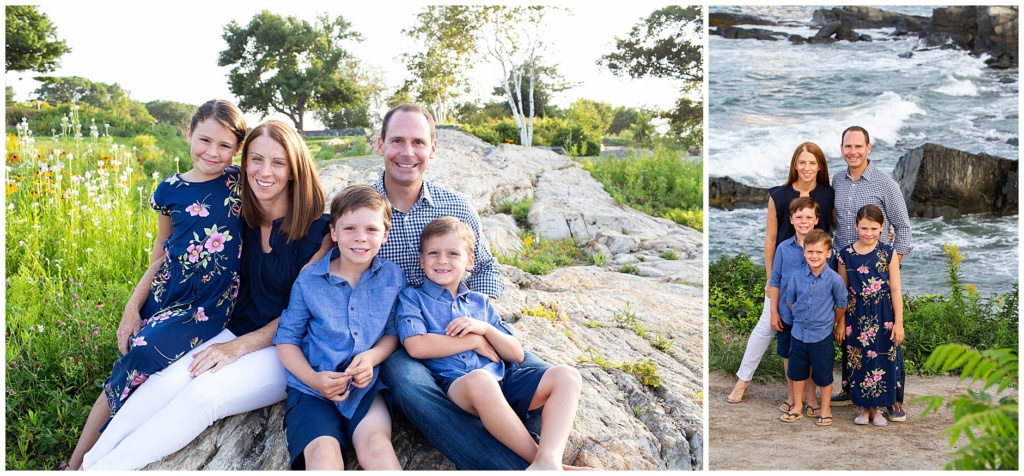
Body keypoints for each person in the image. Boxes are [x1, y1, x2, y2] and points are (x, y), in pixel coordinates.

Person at [80, 119, 333, 470]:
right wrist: (132, 305)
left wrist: (235, 348)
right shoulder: (236, 213)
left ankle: (106, 469)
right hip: (231, 328)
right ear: (243, 165)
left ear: (294, 170)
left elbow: (300, 313)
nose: (264, 172)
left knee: (201, 396)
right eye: (255, 160)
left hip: (287, 349)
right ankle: (88, 462)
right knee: (165, 383)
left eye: (278, 163)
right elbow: (171, 252)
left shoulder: (320, 232)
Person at [68, 99, 248, 469]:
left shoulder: (241, 182)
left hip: (208, 303)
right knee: (129, 358)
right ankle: (75, 461)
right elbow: (161, 250)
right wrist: (133, 305)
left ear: (237, 149)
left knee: (143, 353)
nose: (212, 153)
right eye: (204, 140)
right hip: (167, 291)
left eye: (225, 146)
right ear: (188, 134)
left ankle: (95, 457)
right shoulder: (169, 189)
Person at [373, 104, 553, 470]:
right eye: (397, 141)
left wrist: (472, 322)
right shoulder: (364, 209)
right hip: (400, 337)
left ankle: (524, 431)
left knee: (536, 370)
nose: (407, 152)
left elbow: (485, 266)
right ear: (380, 145)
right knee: (412, 386)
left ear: (433, 148)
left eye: (418, 142)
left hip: (463, 320)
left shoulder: (455, 205)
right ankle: (518, 467)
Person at [398, 217, 584, 470]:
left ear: (470, 261)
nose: (442, 260)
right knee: (480, 380)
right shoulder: (413, 297)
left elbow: (516, 354)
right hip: (461, 387)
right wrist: (474, 341)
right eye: (434, 253)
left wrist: (485, 329)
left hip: (503, 380)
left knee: (567, 375)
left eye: (453, 253)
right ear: (422, 260)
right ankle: (542, 464)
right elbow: (416, 346)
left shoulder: (479, 303)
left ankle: (549, 459)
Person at [274, 185, 405, 469]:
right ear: (333, 232)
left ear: (385, 234)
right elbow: (286, 339)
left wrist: (371, 358)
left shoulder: (393, 278)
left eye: (371, 229)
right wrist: (313, 379)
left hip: (364, 388)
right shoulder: (310, 280)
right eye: (349, 229)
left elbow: (393, 333)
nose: (360, 238)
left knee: (376, 447)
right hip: (312, 390)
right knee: (323, 455)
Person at [728, 142, 835, 406]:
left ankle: (808, 395)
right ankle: (743, 380)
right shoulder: (778, 195)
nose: (807, 168)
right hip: (784, 273)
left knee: (810, 333)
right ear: (794, 164)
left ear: (819, 166)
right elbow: (771, 240)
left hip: (815, 272)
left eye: (812, 163)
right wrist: (769, 279)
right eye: (802, 162)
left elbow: (839, 230)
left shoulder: (828, 194)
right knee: (766, 325)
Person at [830, 126, 912, 422]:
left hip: (879, 273)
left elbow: (903, 227)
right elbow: (834, 225)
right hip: (845, 266)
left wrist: (890, 261)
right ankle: (852, 390)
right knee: (849, 333)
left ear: (869, 148)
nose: (853, 151)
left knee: (888, 338)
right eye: (847, 146)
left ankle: (894, 400)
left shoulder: (885, 183)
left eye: (858, 146)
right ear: (841, 148)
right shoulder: (837, 181)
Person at [836, 205, 904, 426]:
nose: (868, 233)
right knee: (859, 360)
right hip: (857, 314)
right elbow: (843, 292)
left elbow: (895, 289)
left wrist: (899, 323)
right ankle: (863, 409)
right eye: (864, 228)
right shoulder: (845, 254)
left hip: (884, 313)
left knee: (884, 359)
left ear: (882, 228)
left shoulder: (888, 252)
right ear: (856, 225)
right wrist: (841, 322)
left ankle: (878, 410)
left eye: (874, 228)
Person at [767, 197, 829, 419]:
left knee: (811, 358)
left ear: (817, 220)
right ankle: (793, 396)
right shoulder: (784, 248)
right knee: (789, 356)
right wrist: (774, 312)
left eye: (809, 217)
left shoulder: (824, 248)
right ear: (791, 219)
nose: (804, 221)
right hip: (788, 315)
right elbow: (775, 281)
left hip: (814, 319)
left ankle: (811, 398)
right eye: (799, 217)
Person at [779, 229, 847, 426]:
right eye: (810, 252)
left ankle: (825, 409)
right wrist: (802, 318)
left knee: (823, 374)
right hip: (799, 332)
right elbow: (791, 301)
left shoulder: (835, 279)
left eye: (819, 252)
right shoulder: (796, 277)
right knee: (797, 371)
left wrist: (829, 322)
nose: (814, 256)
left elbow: (842, 305)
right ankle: (798, 407)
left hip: (822, 335)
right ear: (804, 252)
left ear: (828, 253)